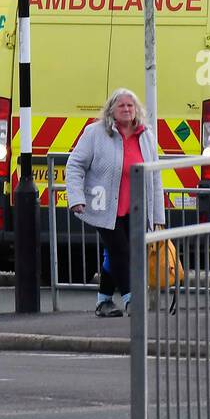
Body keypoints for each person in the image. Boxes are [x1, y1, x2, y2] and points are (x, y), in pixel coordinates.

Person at [66, 88, 165, 317]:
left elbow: (155, 176)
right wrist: (77, 198)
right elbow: (75, 165)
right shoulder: (95, 133)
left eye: (130, 105)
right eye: (121, 105)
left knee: (115, 253)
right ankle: (132, 300)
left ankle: (103, 302)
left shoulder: (146, 135)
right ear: (111, 109)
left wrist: (158, 216)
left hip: (136, 207)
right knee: (121, 251)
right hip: (103, 206)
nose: (127, 109)